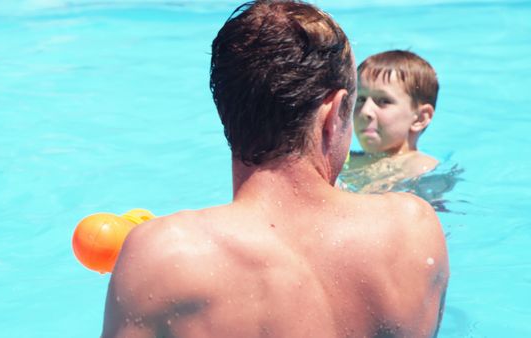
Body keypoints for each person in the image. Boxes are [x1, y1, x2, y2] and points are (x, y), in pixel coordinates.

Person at [102, 1, 449, 337]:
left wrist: (141, 269)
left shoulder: (165, 256)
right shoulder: (414, 230)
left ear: (225, 108)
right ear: (334, 114)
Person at [340, 50, 441, 193]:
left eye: (383, 101)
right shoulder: (345, 161)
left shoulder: (420, 168)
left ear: (420, 118)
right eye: (360, 99)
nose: (365, 111)